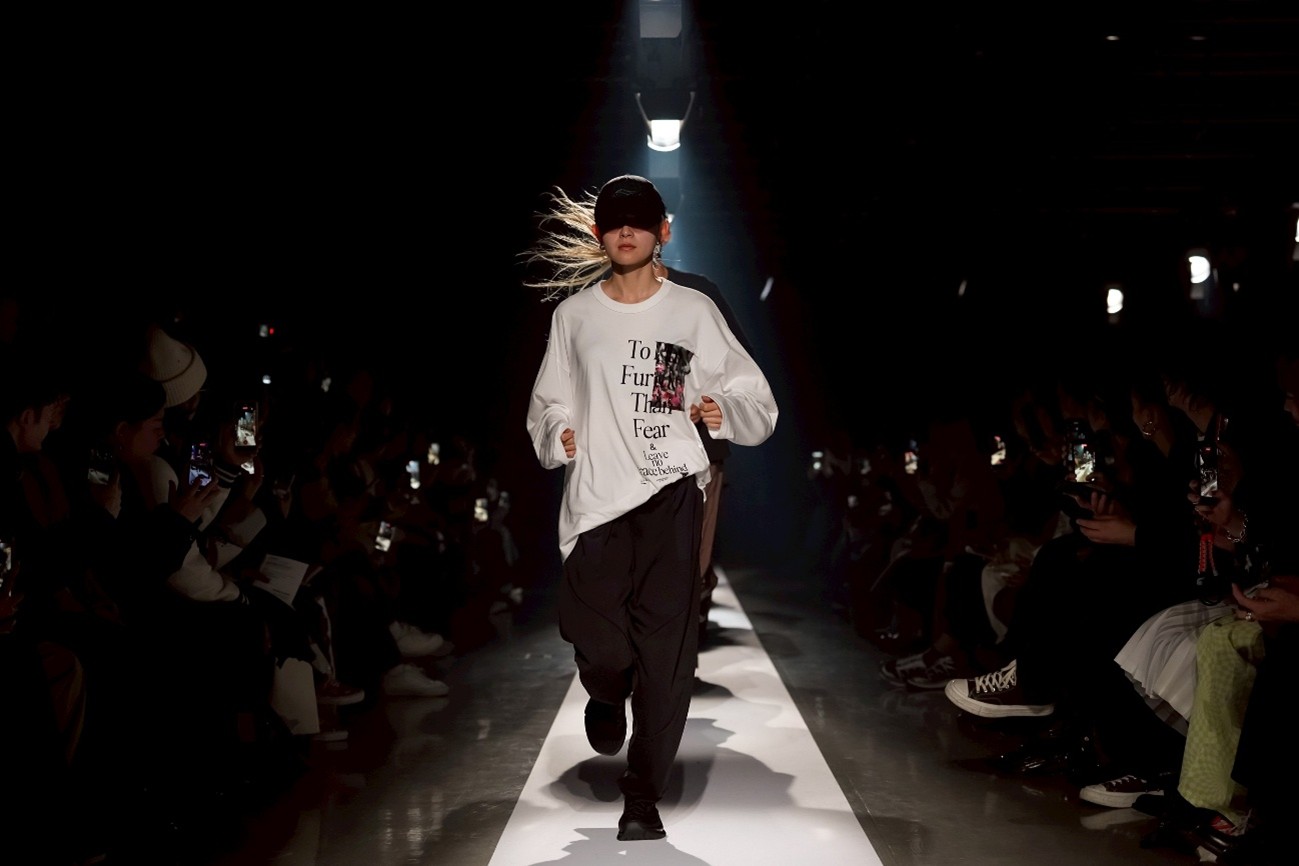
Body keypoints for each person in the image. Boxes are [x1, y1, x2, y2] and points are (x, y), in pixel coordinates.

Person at [523, 174, 778, 841]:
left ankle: (642, 798)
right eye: (614, 221)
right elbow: (547, 403)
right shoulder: (574, 317)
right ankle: (606, 693)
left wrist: (724, 410)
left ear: (663, 230)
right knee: (599, 641)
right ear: (598, 233)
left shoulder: (693, 311)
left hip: (671, 498)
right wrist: (557, 432)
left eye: (640, 220)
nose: (626, 230)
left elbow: (756, 399)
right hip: (598, 502)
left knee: (666, 658)